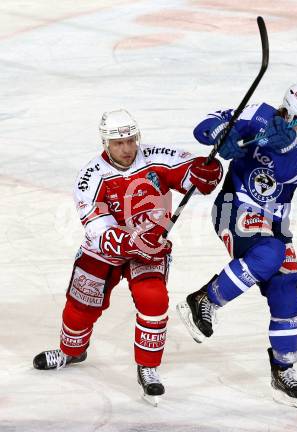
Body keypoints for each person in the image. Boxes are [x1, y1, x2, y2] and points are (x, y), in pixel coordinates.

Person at [33, 109, 223, 406]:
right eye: (118, 143)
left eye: (131, 140)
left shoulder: (156, 157)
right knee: (78, 308)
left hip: (149, 251)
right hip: (103, 253)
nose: (127, 149)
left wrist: (207, 173)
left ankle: (148, 368)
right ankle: (72, 351)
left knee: (154, 300)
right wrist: (130, 242)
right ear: (105, 143)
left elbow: (192, 173)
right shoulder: (91, 175)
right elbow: (97, 226)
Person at [177, 83, 297, 408]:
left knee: (285, 288)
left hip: (275, 222)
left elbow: (289, 172)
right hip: (235, 207)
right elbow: (205, 125)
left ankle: (283, 371)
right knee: (269, 255)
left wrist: (286, 146)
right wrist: (222, 133)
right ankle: (204, 300)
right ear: (288, 113)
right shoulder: (258, 115)